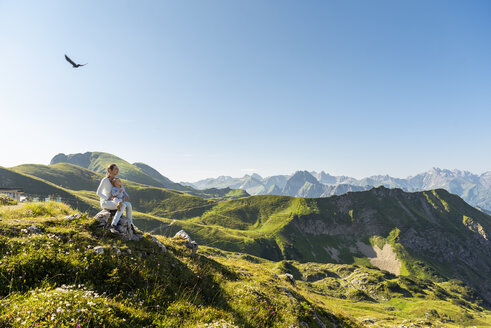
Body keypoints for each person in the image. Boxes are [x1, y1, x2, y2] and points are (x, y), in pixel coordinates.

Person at [96, 163, 136, 234]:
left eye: (118, 169)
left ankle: (131, 224)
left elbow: (117, 191)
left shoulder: (115, 181)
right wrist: (108, 198)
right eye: (115, 169)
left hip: (115, 201)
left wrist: (122, 195)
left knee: (129, 204)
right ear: (109, 170)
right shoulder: (105, 180)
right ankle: (113, 225)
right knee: (122, 205)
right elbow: (98, 193)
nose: (117, 170)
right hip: (106, 202)